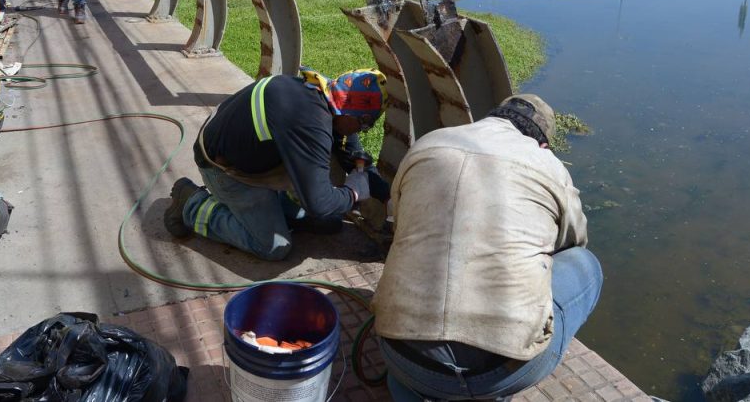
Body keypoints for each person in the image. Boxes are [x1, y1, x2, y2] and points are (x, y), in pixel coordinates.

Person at [372, 94, 602, 401]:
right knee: (586, 264)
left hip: (399, 354)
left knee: (412, 382)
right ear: (542, 143)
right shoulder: (549, 166)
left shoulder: (428, 144)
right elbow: (574, 242)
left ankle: (417, 387)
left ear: (490, 119)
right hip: (496, 373)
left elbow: (397, 220)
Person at [163, 68, 390, 261]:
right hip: (225, 170)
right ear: (353, 115)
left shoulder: (324, 96)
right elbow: (320, 204)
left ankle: (281, 210)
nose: (361, 131)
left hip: (249, 154)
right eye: (364, 124)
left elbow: (352, 155)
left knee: (329, 222)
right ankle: (191, 204)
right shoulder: (310, 123)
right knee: (275, 247)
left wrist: (389, 197)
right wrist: (352, 194)